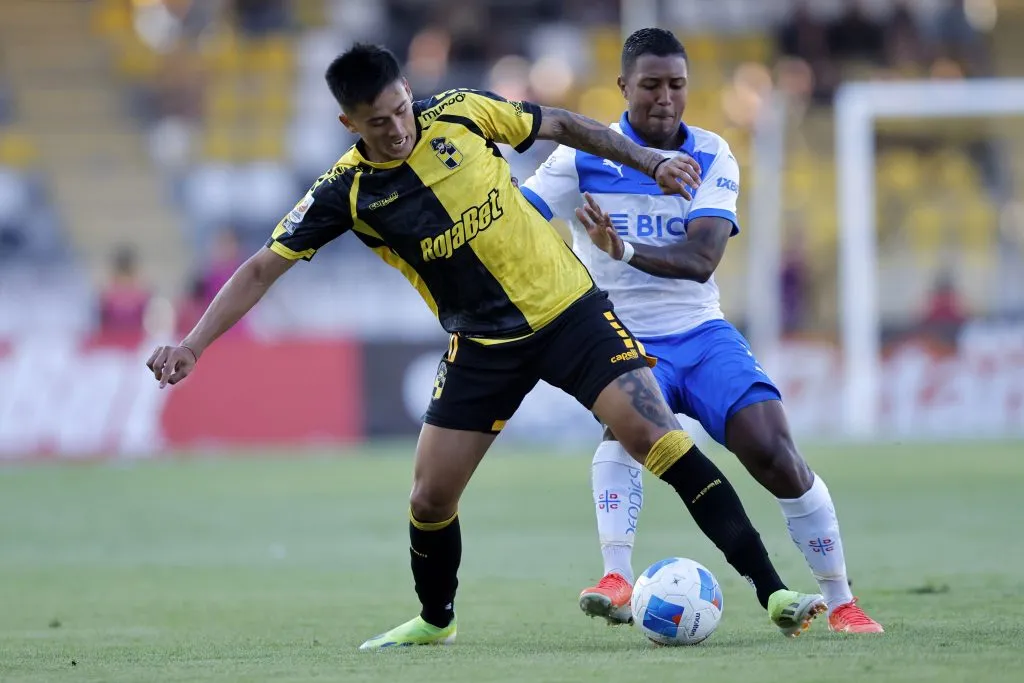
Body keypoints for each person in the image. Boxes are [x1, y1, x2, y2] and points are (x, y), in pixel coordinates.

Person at [146, 43, 816, 650]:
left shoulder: (460, 113)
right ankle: (437, 618)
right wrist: (194, 345)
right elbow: (264, 264)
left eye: (403, 109)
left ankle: (772, 589)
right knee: (429, 499)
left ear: (411, 91)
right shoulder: (346, 193)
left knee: (660, 440)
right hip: (484, 343)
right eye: (380, 122)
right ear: (351, 125)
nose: (400, 127)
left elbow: (559, 123)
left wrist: (644, 158)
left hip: (570, 314)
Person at [520, 28, 883, 635]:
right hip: (622, 338)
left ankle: (843, 601)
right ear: (624, 88)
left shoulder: (712, 153)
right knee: (624, 428)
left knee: (774, 451)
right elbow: (521, 223)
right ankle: (614, 577)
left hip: (700, 331)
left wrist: (624, 248)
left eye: (676, 85)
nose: (665, 97)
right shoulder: (581, 156)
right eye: (651, 85)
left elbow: (700, 260)